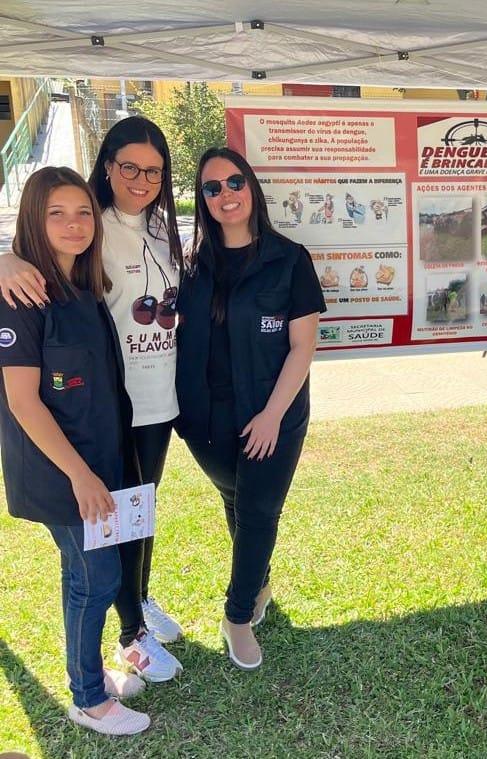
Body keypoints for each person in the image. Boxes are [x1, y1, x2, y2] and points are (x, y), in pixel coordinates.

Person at [0, 117, 184, 683]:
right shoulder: (79, 235)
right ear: (107, 166)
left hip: (152, 403)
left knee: (136, 519)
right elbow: (24, 392)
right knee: (102, 550)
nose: (141, 178)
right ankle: (127, 633)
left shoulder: (154, 231)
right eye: (129, 166)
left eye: (153, 170)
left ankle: (137, 606)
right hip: (90, 425)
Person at [0, 167, 150, 735]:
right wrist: (82, 477)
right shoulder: (19, 295)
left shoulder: (82, 290)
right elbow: (24, 403)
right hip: (63, 471)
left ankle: (88, 678)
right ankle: (89, 699)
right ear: (34, 221)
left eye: (83, 211)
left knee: (83, 576)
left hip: (98, 463)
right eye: (56, 213)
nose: (74, 224)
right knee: (97, 578)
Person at [176, 148, 324, 669]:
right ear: (203, 200)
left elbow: (303, 347)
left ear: (252, 187)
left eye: (234, 182)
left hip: (272, 412)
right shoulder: (190, 262)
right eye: (211, 188)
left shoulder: (289, 258)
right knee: (235, 498)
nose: (225, 195)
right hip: (204, 417)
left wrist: (271, 416)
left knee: (258, 510)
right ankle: (257, 581)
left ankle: (237, 615)